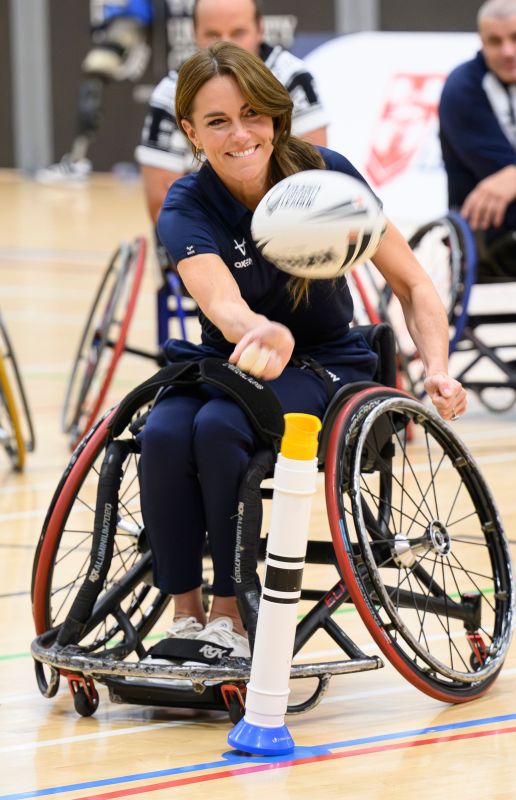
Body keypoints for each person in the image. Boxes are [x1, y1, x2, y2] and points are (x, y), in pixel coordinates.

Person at [138, 41, 467, 657]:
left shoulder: (324, 177)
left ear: (275, 116)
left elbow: (414, 283)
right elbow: (221, 302)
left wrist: (440, 371)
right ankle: (186, 615)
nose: (240, 134)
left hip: (325, 363)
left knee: (216, 428)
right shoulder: (187, 203)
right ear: (190, 131)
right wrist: (255, 330)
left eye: (253, 115)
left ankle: (231, 615)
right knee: (161, 432)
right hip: (233, 360)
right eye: (217, 122)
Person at [135, 0, 329, 224]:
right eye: (213, 34)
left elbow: (313, 172)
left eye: (238, 33)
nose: (226, 44)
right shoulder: (170, 93)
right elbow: (162, 205)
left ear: (260, 29)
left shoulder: (292, 77)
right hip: (204, 227)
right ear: (194, 34)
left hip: (289, 226)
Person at [439, 0, 516, 367]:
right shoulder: (463, 89)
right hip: (485, 227)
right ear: (481, 42)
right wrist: (514, 175)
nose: (508, 51)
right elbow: (494, 170)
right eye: (495, 41)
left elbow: (511, 176)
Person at [35, 0, 186, 185]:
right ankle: (76, 160)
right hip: (141, 26)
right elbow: (135, 11)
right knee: (97, 67)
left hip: (187, 35)